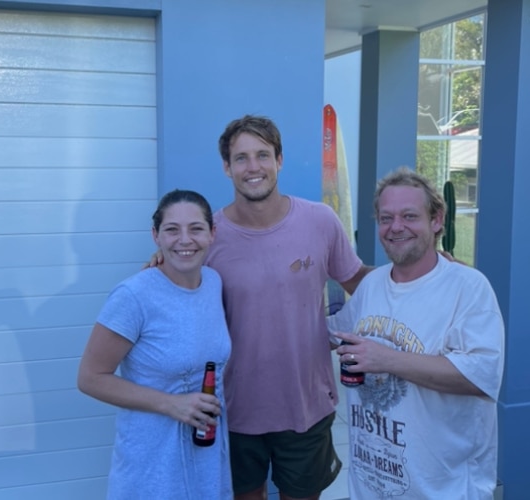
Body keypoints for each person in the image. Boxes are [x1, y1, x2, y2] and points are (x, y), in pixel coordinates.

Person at [150, 115, 370, 500]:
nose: (253, 167)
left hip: (307, 405)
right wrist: (157, 267)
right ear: (226, 167)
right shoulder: (208, 237)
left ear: (279, 160)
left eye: (263, 155)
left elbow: (360, 282)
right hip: (233, 409)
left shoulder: (320, 221)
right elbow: (173, 299)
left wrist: (422, 273)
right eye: (241, 158)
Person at [328, 167, 505, 499]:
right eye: (386, 218)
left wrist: (387, 359)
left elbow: (480, 377)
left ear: (437, 220)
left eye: (409, 216)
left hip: (443, 490)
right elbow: (328, 334)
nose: (396, 227)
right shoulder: (372, 285)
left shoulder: (468, 288)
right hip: (370, 487)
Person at [78, 189, 233, 499]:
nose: (184, 239)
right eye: (172, 230)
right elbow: (90, 378)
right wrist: (172, 404)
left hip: (206, 457)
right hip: (152, 466)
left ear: (212, 234)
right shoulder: (133, 296)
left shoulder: (214, 283)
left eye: (196, 228)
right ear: (156, 236)